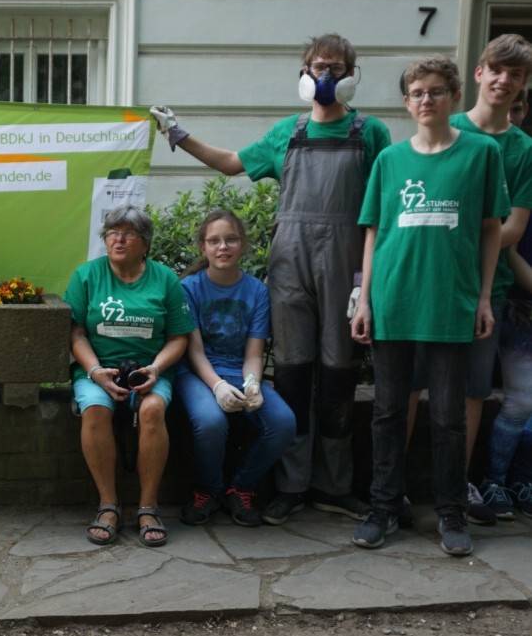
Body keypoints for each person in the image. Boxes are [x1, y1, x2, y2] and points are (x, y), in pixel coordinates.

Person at [151, 35, 392, 524]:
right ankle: (291, 486)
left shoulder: (371, 133)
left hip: (346, 264)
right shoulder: (288, 132)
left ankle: (335, 486)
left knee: (340, 375)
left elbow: (382, 210)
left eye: (336, 67)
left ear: (351, 75)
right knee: (296, 373)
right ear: (304, 72)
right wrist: (178, 135)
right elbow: (230, 163)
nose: (326, 75)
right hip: (291, 265)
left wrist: (366, 281)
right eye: (318, 66)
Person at [350, 56, 507, 556]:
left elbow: (491, 230)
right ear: (406, 102)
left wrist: (483, 297)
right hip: (393, 301)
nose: (426, 100)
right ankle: (382, 507)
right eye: (417, 93)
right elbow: (374, 232)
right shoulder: (389, 160)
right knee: (388, 412)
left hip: (450, 304)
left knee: (448, 417)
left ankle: (451, 513)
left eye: (436, 91)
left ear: (454, 96)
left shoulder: (481, 154)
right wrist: (365, 300)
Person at [440, 35, 532, 521]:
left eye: (515, 75)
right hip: (431, 285)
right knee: (412, 388)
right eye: (496, 69)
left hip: (486, 291)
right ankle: (402, 491)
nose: (504, 80)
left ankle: (455, 486)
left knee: (474, 390)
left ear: (523, 84)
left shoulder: (524, 149)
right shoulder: (445, 126)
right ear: (479, 72)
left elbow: (513, 228)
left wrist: (457, 235)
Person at [66, 204, 194, 547]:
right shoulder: (86, 275)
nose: (118, 240)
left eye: (128, 233)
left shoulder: (165, 279)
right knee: (95, 409)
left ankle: (148, 508)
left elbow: (178, 337)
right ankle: (108, 506)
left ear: (145, 243)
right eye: (112, 233)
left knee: (152, 410)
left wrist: (155, 369)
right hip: (97, 369)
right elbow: (76, 333)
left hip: (149, 370)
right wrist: (96, 371)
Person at [175, 210, 296, 528]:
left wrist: (252, 383)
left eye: (230, 240)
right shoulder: (189, 288)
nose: (222, 247)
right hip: (197, 374)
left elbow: (254, 352)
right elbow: (194, 352)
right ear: (203, 247)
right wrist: (217, 386)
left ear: (242, 245)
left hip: (238, 370)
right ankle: (208, 490)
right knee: (210, 422)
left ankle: (241, 487)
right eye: (214, 241)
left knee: (283, 422)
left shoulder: (257, 291)